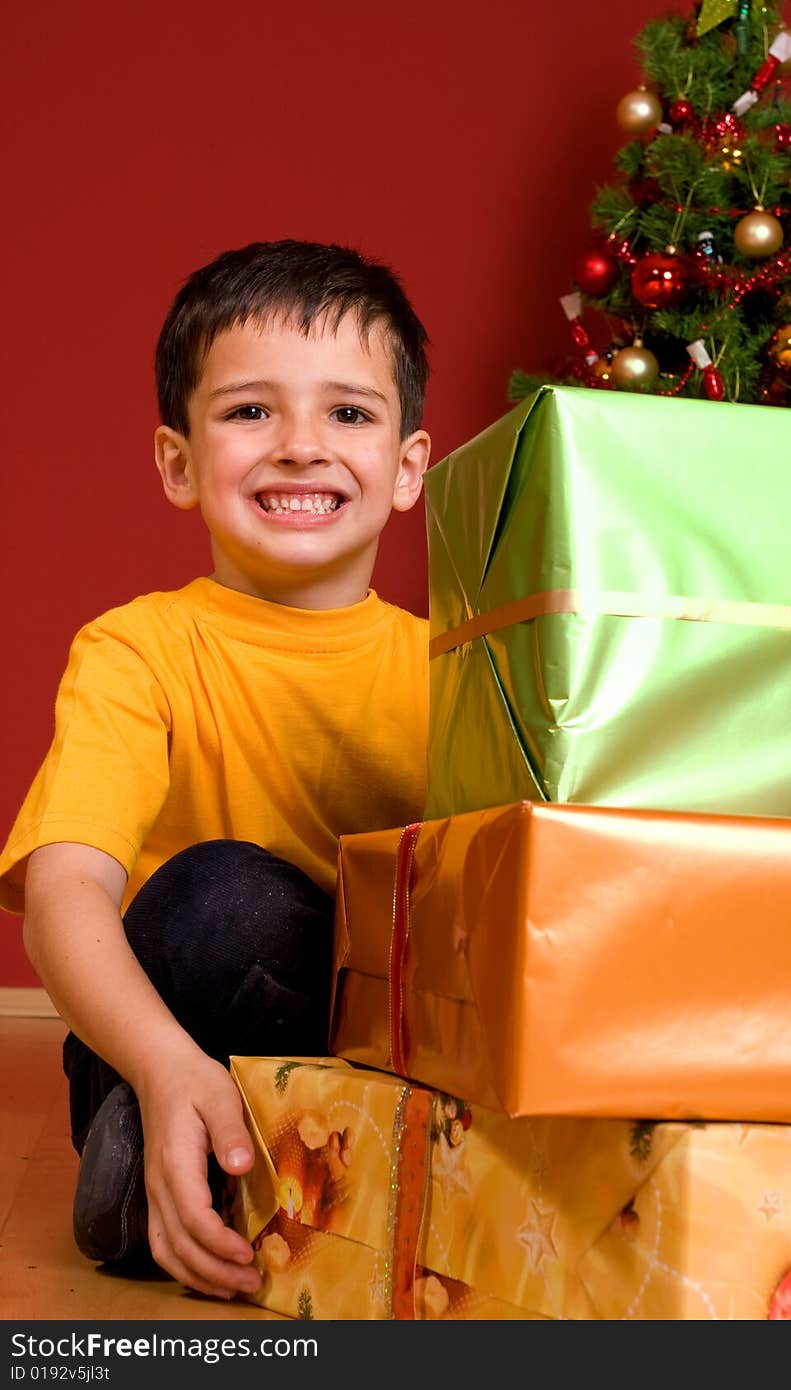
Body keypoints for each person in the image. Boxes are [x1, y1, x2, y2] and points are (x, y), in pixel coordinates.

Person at [0, 238, 432, 1302]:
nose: (298, 446)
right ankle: (155, 1131)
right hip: (171, 1028)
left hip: (362, 1046)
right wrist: (158, 1062)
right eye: (249, 412)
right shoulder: (138, 648)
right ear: (178, 462)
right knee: (231, 897)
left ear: (410, 466)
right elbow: (64, 891)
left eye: (348, 413)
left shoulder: (453, 666)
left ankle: (270, 1190)